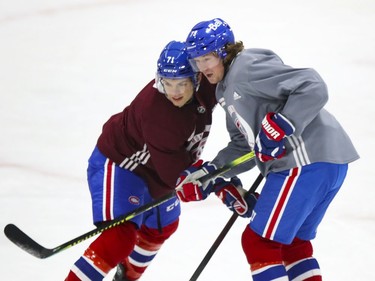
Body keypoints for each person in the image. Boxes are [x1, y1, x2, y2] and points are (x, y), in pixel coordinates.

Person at [176, 18, 359, 281]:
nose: (202, 67)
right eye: (197, 60)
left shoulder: (245, 67)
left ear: (225, 51)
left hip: (304, 161)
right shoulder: (225, 90)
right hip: (325, 162)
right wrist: (211, 173)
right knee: (293, 245)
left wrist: (283, 123)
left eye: (207, 57)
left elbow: (312, 85)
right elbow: (244, 145)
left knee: (258, 243)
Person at [64, 40, 218, 281]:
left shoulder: (205, 84)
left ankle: (127, 277)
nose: (174, 92)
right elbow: (175, 177)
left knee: (162, 225)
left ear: (196, 78)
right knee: (120, 237)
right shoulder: (159, 116)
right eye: (167, 84)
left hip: (157, 168)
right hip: (121, 165)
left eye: (181, 84)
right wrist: (218, 183)